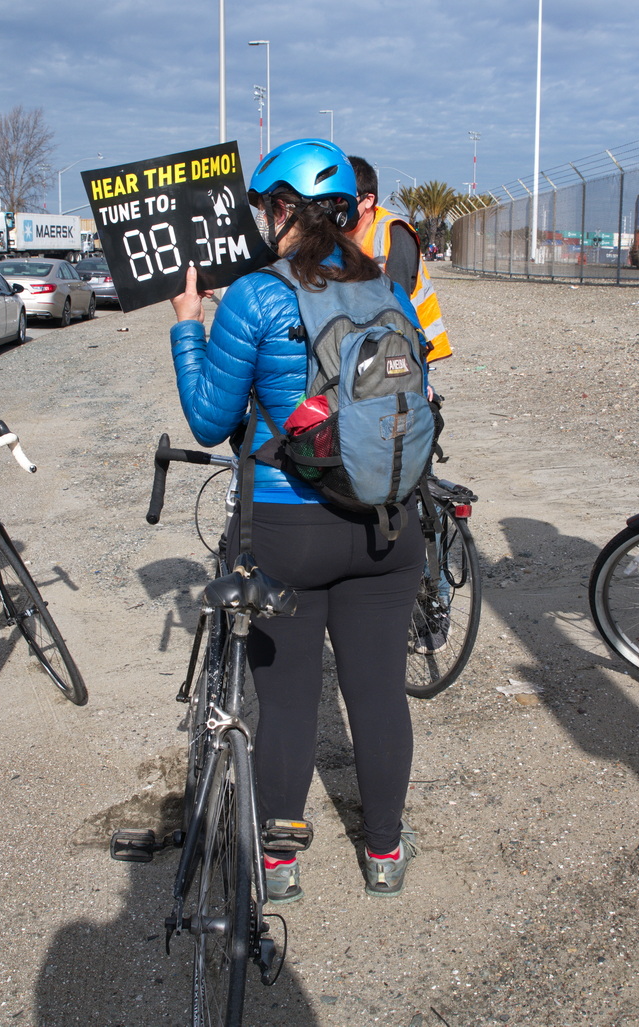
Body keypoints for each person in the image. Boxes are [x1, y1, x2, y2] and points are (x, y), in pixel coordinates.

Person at [170, 139, 426, 900]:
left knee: (287, 702)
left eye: (267, 208)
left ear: (284, 209)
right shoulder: (390, 289)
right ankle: (384, 852)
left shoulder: (256, 295)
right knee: (378, 693)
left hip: (290, 527)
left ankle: (279, 865)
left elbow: (209, 421)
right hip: (388, 523)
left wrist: (188, 326)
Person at [345, 157, 452, 362]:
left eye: (346, 199)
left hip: (411, 341)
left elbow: (396, 304)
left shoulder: (395, 232)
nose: (338, 206)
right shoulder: (337, 234)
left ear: (368, 200)